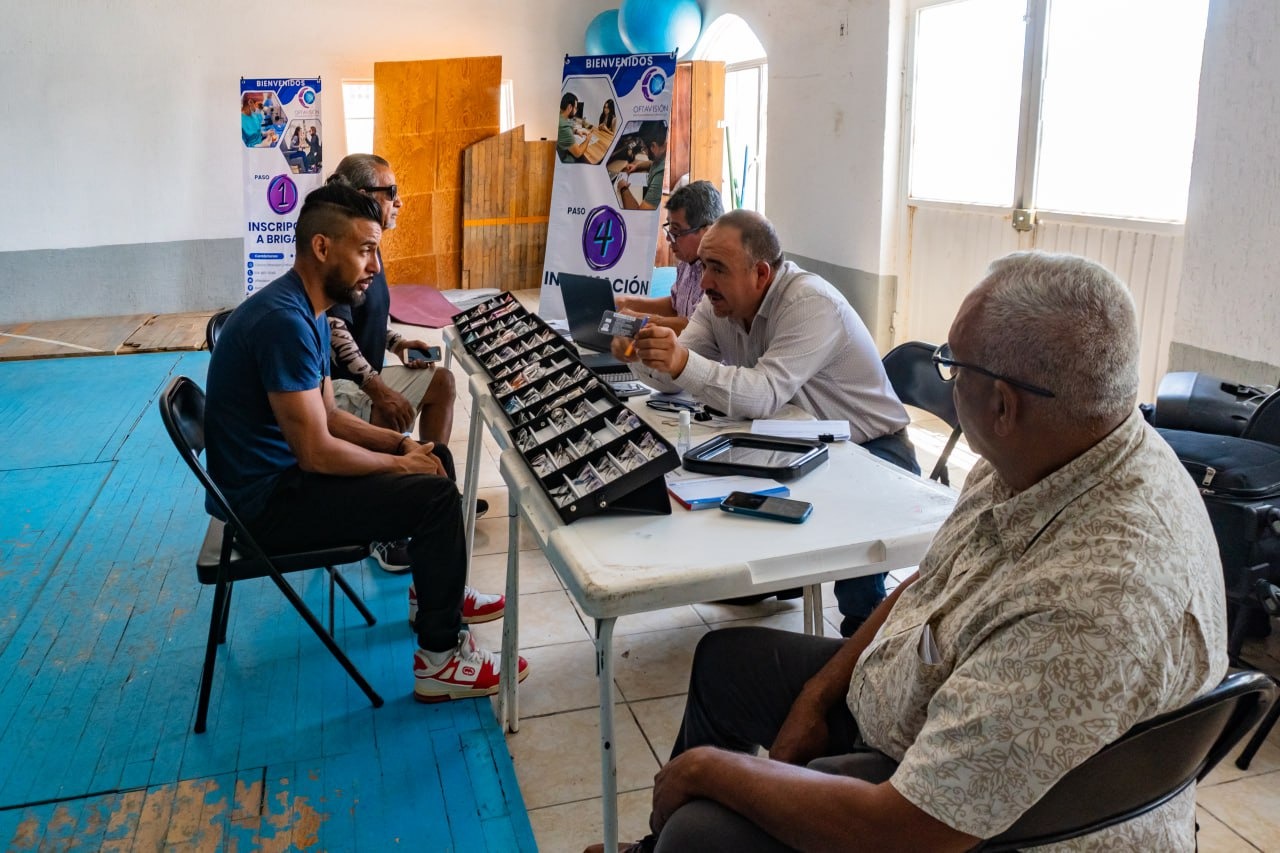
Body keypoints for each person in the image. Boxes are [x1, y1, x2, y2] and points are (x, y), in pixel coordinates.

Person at [592, 251, 1228, 853]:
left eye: (954, 367)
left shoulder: (1096, 603)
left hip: (973, 820)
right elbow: (930, 583)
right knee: (725, 664)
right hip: (922, 706)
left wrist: (706, 771)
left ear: (1003, 405)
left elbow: (908, 834)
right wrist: (817, 695)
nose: (948, 384)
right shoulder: (1044, 453)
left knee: (703, 829)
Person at [204, 183, 525, 703]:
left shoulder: (306, 308)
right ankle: (440, 660)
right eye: (365, 250)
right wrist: (400, 467)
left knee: (434, 456)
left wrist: (401, 448)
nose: (375, 265)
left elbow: (330, 416)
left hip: (283, 479)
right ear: (322, 247)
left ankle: (432, 594)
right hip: (265, 508)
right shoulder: (283, 322)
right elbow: (316, 451)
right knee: (434, 496)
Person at [617, 209, 916, 633]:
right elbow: (674, 378)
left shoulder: (809, 304)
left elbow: (762, 394)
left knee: (855, 551)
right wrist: (639, 355)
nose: (704, 282)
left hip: (873, 448)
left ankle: (862, 638)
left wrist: (681, 361)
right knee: (714, 483)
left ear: (760, 273)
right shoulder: (718, 304)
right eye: (703, 267)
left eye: (718, 269)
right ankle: (776, 579)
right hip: (797, 437)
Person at [323, 155, 495, 607]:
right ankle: (387, 528)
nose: (399, 202)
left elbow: (366, 317)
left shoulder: (370, 244)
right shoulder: (345, 247)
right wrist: (378, 387)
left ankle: (431, 486)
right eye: (390, 192)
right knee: (388, 406)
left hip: (362, 375)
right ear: (362, 196)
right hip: (337, 388)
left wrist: (398, 343)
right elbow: (336, 330)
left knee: (441, 383)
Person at [616, 181, 723, 334]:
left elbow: (698, 327)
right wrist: (627, 302)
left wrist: (642, 320)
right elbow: (675, 306)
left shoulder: (719, 274)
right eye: (669, 228)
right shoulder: (686, 261)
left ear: (706, 231)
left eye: (676, 231)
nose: (668, 239)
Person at [617, 121, 667, 211]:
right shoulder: (664, 154)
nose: (644, 151)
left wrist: (623, 188)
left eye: (644, 148)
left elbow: (639, 213)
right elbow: (653, 164)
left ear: (653, 146)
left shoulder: (662, 175)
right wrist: (637, 166)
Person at [557, 93, 589, 162]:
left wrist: (576, 131)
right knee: (585, 159)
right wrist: (588, 139)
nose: (576, 111)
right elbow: (578, 153)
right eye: (575, 108)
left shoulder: (559, 116)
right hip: (563, 159)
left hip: (558, 153)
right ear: (569, 107)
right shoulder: (564, 127)